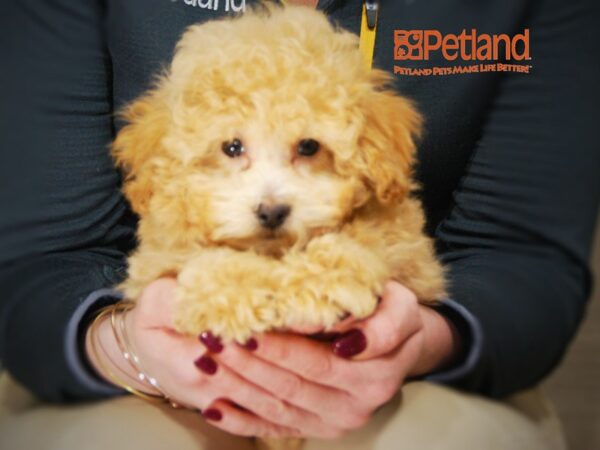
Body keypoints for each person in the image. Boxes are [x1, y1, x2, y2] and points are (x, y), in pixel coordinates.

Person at [0, 0, 598, 448]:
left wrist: (419, 337)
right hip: (135, 367)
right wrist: (125, 343)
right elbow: (43, 256)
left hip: (413, 368)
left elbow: (525, 254)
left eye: (308, 147)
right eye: (231, 149)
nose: (270, 199)